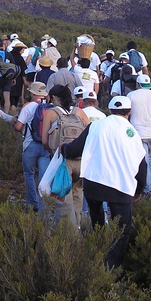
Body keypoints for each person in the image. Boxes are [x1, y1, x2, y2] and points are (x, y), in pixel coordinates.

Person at [60, 95, 147, 269]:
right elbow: (141, 165)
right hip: (120, 186)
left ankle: (96, 251)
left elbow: (76, 149)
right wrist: (139, 189)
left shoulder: (96, 126)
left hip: (94, 183)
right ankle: (111, 266)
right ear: (129, 112)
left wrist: (63, 149)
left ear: (109, 110)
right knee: (122, 228)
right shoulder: (132, 132)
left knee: (97, 218)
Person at [41, 85, 90, 226]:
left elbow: (45, 140)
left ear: (55, 98)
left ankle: (67, 233)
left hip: (62, 161)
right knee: (77, 194)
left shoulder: (50, 113)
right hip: (81, 162)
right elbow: (90, 132)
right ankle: (78, 226)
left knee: (63, 198)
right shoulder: (79, 112)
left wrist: (53, 152)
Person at [14, 82, 52, 212]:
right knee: (43, 179)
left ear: (33, 93)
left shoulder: (28, 107)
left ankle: (32, 203)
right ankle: (44, 209)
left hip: (30, 145)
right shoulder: (50, 108)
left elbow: (18, 127)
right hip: (46, 146)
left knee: (29, 174)